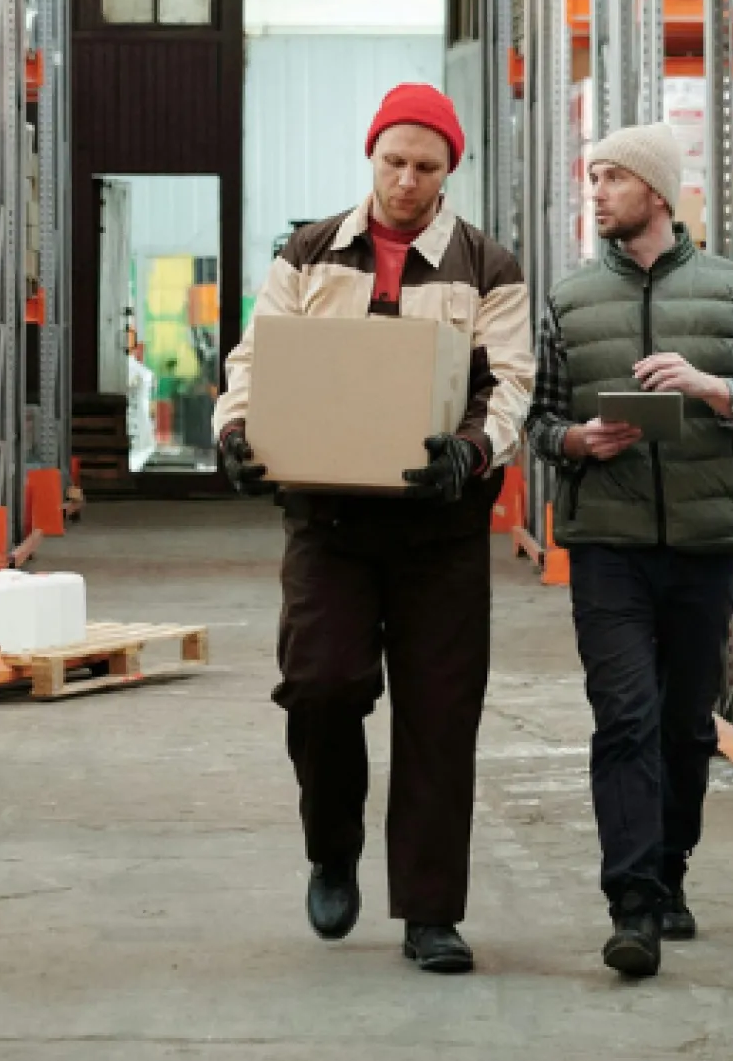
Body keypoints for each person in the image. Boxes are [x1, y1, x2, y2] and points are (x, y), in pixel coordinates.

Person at [211, 83, 532, 976]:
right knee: (319, 685)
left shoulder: (486, 265)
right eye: (393, 161)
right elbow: (255, 355)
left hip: (439, 526)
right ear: (372, 155)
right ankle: (332, 845)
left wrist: (471, 454)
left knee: (438, 717)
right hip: (331, 521)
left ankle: (430, 913)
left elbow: (508, 382)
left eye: (425, 167)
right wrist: (236, 432)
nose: (405, 181)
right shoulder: (311, 252)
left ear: (448, 171)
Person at [524, 121, 733, 980]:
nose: (595, 191)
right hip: (606, 543)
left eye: (610, 177)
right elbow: (538, 421)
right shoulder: (569, 301)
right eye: (591, 177)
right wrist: (577, 443)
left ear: (655, 191)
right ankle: (632, 903)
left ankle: (671, 868)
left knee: (685, 726)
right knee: (627, 719)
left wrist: (712, 389)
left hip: (704, 544)